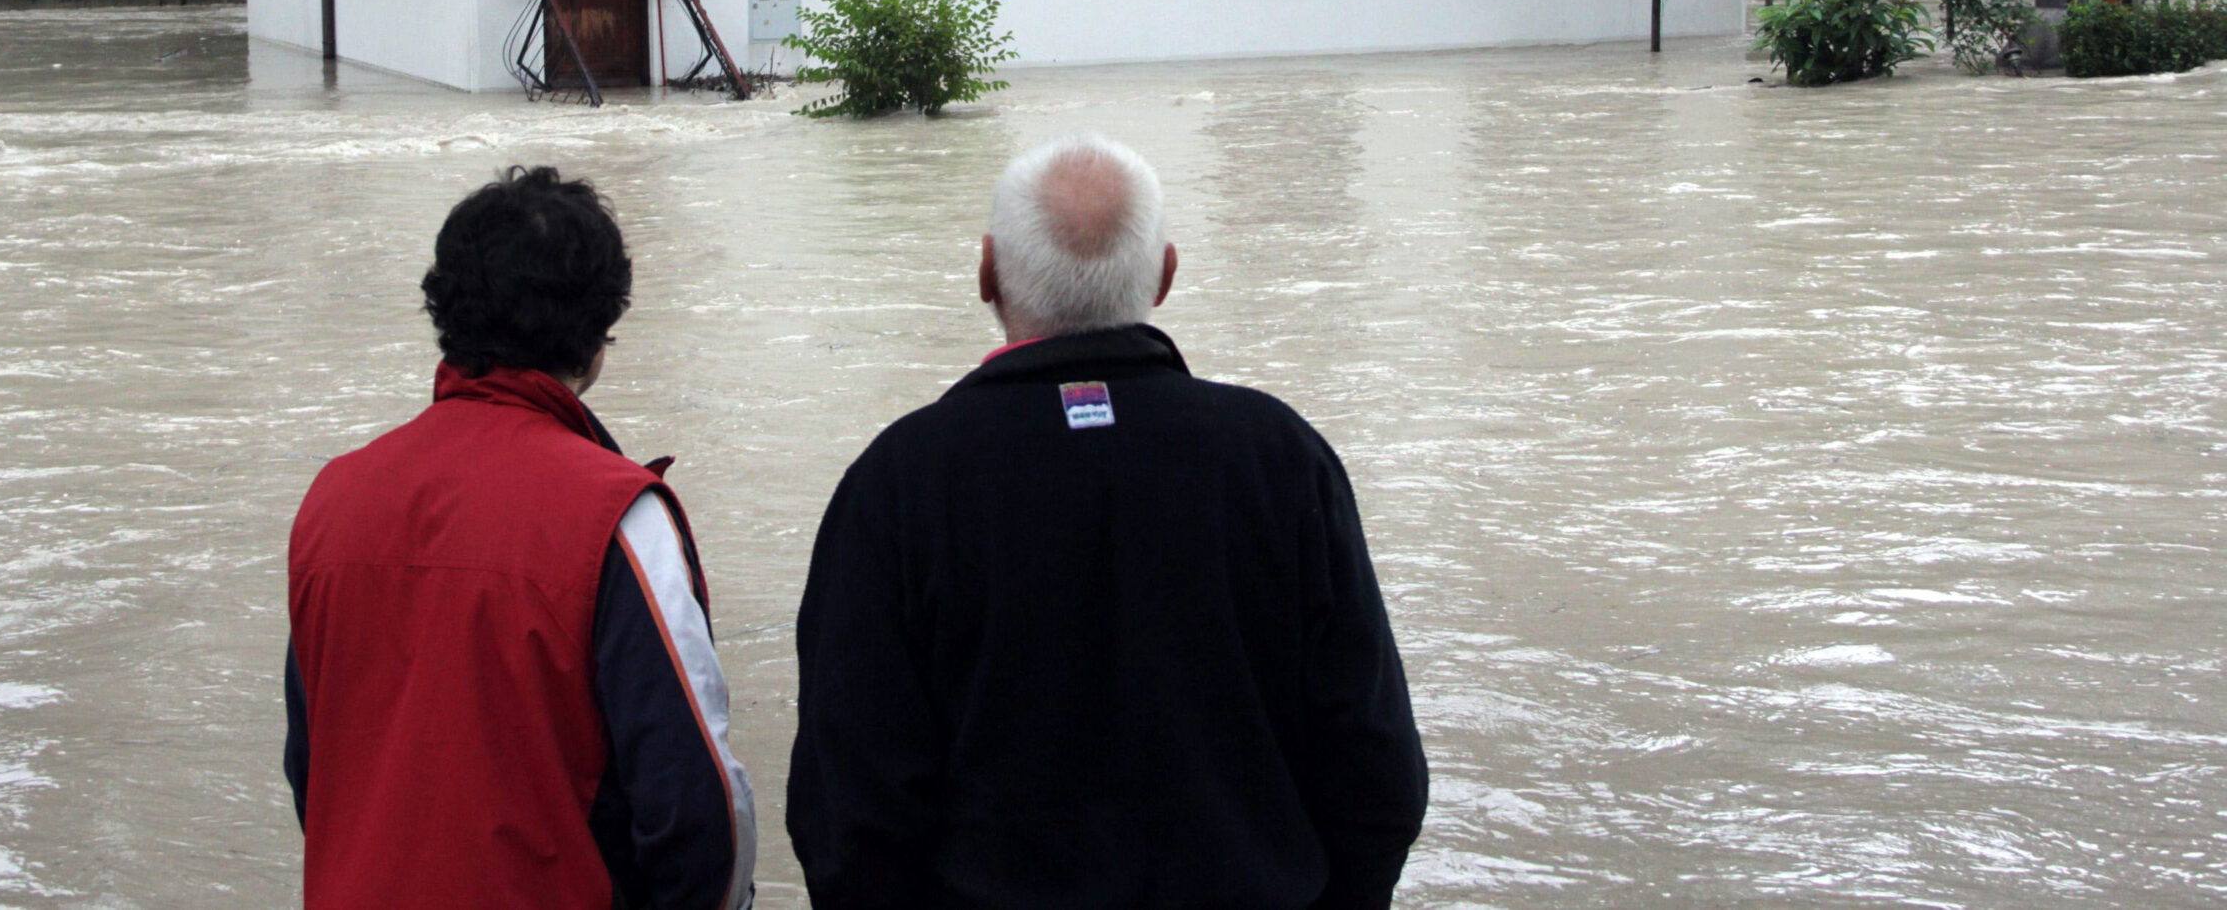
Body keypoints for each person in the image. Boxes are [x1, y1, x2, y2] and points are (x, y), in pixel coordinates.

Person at [787, 133, 1426, 910]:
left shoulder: (898, 483)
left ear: (986, 273)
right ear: (1165, 274)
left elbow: (848, 811)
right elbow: (1377, 771)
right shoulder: (1282, 459)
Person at [284, 166, 755, 910]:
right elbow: (698, 809)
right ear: (599, 336)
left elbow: (315, 771)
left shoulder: (332, 502)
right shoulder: (620, 516)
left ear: (447, 315)